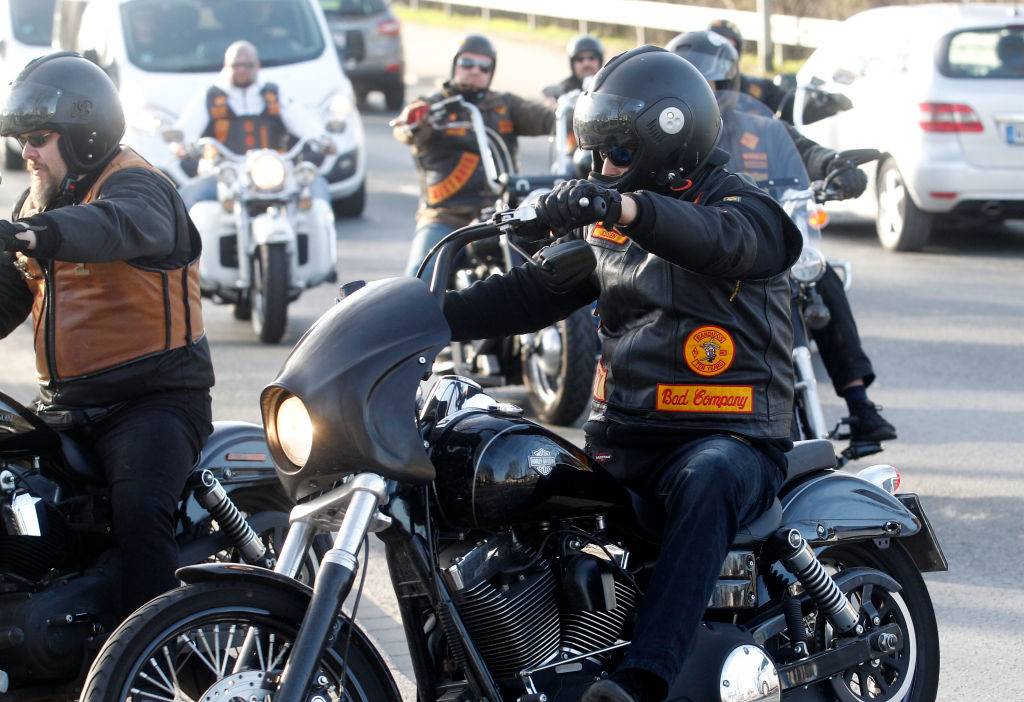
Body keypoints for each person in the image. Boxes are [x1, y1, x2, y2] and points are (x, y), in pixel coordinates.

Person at [442, 46, 802, 702]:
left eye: (616, 153)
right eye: (597, 153)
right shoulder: (615, 223)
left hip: (734, 440)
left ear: (667, 141)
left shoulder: (747, 213)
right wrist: (422, 316)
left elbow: (717, 240)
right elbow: (531, 294)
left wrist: (623, 209)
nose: (602, 168)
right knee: (508, 474)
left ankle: (641, 681)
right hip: (628, 440)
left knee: (709, 475)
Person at [0, 53, 214, 617]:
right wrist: (27, 232)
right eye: (21, 139)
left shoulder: (140, 188)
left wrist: (30, 233)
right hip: (66, 408)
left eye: (38, 137)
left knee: (139, 511)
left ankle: (149, 658)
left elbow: (112, 228)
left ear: (84, 136)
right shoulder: (39, 205)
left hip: (153, 403)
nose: (26, 152)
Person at [669, 30, 896, 446]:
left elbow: (808, 152)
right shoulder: (670, 137)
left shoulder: (763, 129)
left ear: (731, 85)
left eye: (715, 86)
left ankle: (859, 403)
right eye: (699, 87)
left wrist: (836, 166)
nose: (710, 95)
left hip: (768, 245)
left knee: (821, 279)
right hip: (709, 255)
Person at [394, 34, 555, 277]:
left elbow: (548, 118)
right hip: (447, 217)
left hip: (502, 214)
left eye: (483, 67)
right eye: (467, 64)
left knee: (550, 270)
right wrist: (414, 119)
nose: (475, 71)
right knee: (418, 281)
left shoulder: (504, 105)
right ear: (455, 66)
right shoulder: (433, 105)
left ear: (491, 71)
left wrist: (576, 113)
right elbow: (406, 129)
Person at [175, 40, 333, 207]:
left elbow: (303, 121)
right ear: (226, 66)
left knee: (317, 191)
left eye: (247, 65)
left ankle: (324, 232)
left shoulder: (274, 94)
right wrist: (181, 146)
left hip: (274, 172)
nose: (241, 70)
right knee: (189, 197)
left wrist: (322, 139)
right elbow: (184, 132)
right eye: (236, 65)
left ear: (257, 65)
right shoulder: (210, 97)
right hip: (224, 175)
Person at [707, 18, 788, 114]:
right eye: (719, 48)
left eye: (730, 48)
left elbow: (788, 111)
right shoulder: (697, 86)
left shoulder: (760, 88)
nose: (725, 55)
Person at [542, 34, 605, 104]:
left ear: (600, 61)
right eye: (580, 59)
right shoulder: (563, 89)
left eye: (591, 58)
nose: (586, 63)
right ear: (572, 63)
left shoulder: (609, 85)